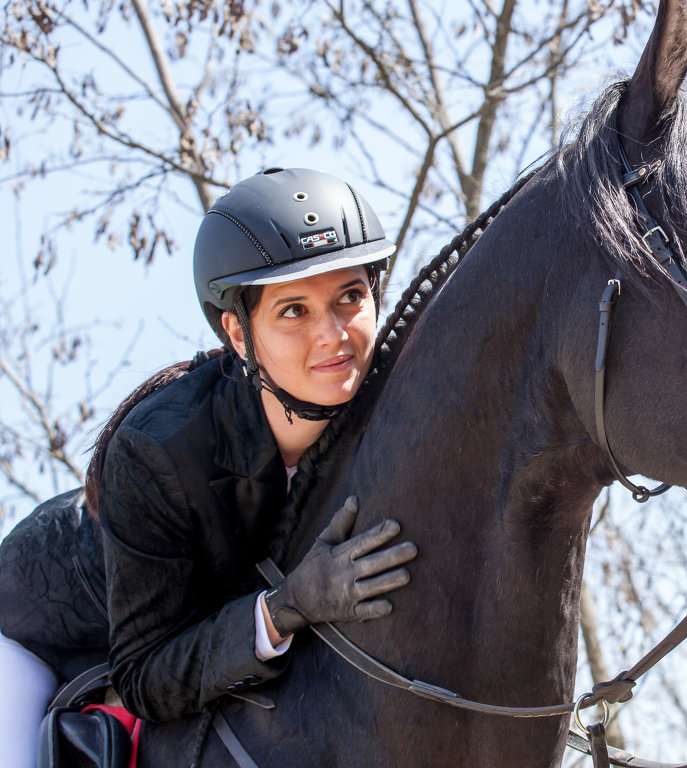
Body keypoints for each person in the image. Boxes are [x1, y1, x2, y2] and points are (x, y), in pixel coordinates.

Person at [0, 167, 417, 763]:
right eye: (294, 311)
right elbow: (144, 674)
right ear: (239, 334)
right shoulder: (159, 447)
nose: (333, 335)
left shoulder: (390, 400)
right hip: (46, 622)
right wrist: (285, 607)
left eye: (350, 296)